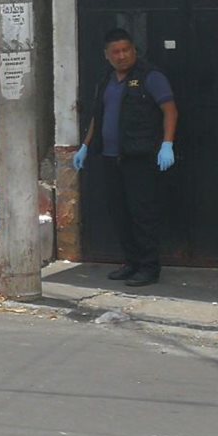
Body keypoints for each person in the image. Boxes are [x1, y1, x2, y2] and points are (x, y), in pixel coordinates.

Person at [73, 28, 178, 287]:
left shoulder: (150, 77)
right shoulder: (106, 80)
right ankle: (131, 263)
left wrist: (167, 144)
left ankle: (149, 267)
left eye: (126, 50)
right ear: (107, 55)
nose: (122, 56)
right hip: (111, 158)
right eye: (116, 52)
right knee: (120, 214)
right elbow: (98, 116)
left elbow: (170, 110)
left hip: (139, 158)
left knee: (142, 214)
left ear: (134, 50)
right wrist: (85, 146)